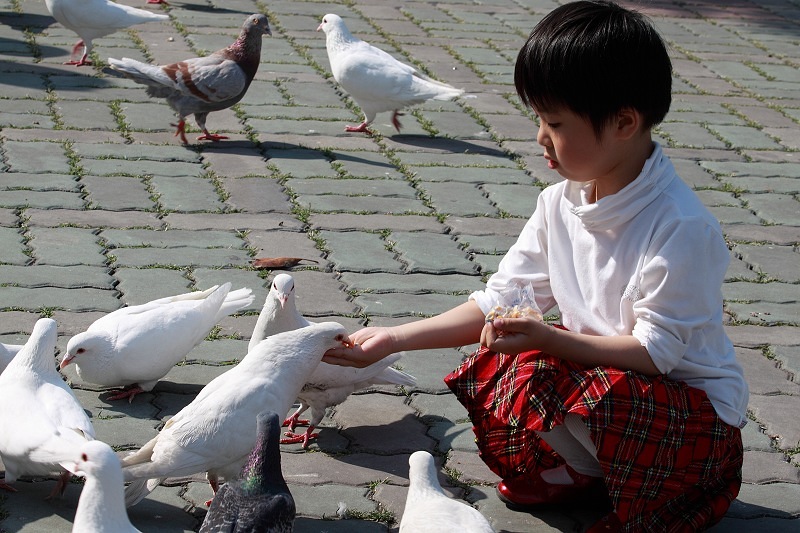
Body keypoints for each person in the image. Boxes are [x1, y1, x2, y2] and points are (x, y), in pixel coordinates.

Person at [323, 1, 748, 531]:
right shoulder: (558, 204)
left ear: (623, 122)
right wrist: (394, 339)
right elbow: (496, 302)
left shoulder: (682, 226)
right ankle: (593, 474)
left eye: (554, 121)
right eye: (539, 119)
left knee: (566, 369)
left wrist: (548, 340)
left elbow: (653, 354)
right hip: (618, 398)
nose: (540, 137)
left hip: (691, 427)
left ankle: (659, 498)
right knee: (505, 353)